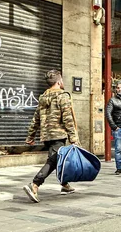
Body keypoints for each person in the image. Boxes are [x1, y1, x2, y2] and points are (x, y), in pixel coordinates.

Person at [23, 70, 79, 203]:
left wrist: (30, 136)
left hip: (46, 135)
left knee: (58, 159)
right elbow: (68, 119)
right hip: (58, 134)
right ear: (59, 82)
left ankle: (65, 185)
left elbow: (36, 118)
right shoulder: (62, 96)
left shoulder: (43, 97)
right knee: (53, 161)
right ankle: (35, 184)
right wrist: (74, 138)